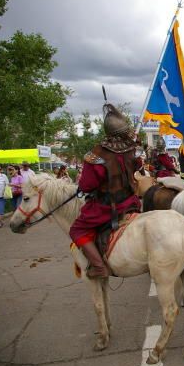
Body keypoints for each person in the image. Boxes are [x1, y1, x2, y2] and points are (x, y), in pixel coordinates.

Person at [69, 104, 142, 278]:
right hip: (131, 202)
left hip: (107, 207)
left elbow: (86, 186)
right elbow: (138, 166)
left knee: (76, 230)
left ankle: (99, 267)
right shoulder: (132, 149)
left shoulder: (96, 154)